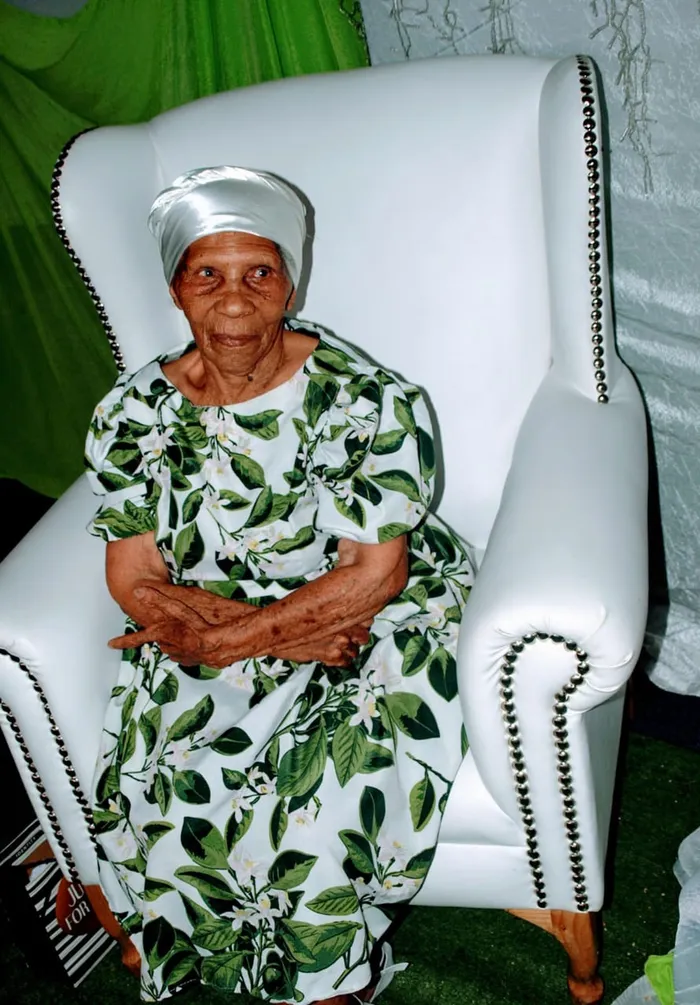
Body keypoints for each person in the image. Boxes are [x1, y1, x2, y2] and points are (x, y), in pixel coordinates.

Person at [86, 166, 474, 1005]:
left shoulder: (364, 400)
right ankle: (210, 945)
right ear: (175, 290)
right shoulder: (132, 414)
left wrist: (230, 641)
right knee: (165, 787)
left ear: (290, 283)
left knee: (309, 809)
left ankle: (328, 975)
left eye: (259, 272)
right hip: (216, 617)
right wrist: (259, 636)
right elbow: (135, 575)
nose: (234, 300)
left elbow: (374, 573)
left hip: (371, 618)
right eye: (207, 275)